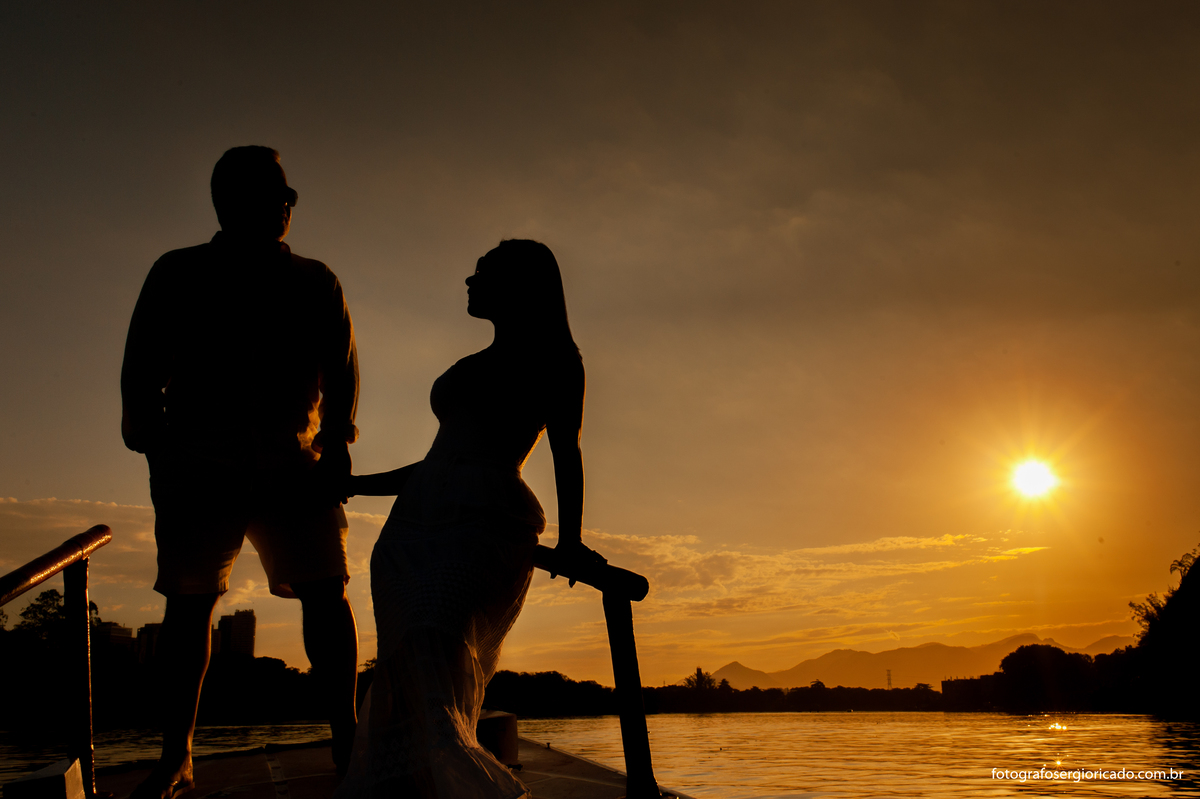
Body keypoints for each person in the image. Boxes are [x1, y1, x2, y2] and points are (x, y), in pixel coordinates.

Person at [121, 146, 361, 798]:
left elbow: (341, 376)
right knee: (189, 604)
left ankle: (348, 737)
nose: (285, 206)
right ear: (231, 204)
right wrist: (156, 442)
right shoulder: (179, 272)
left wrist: (337, 446)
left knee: (326, 594)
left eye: (288, 197)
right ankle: (178, 755)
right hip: (199, 463)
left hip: (294, 465)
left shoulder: (316, 281)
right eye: (273, 195)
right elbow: (141, 368)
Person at [338, 239, 604, 799]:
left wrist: (572, 540)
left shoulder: (555, 359)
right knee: (404, 659)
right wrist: (360, 486)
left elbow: (566, 451)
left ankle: (469, 786)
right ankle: (412, 786)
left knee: (435, 637)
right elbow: (437, 461)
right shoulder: (471, 366)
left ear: (518, 286)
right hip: (411, 527)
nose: (469, 280)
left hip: (485, 522)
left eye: (482, 272)